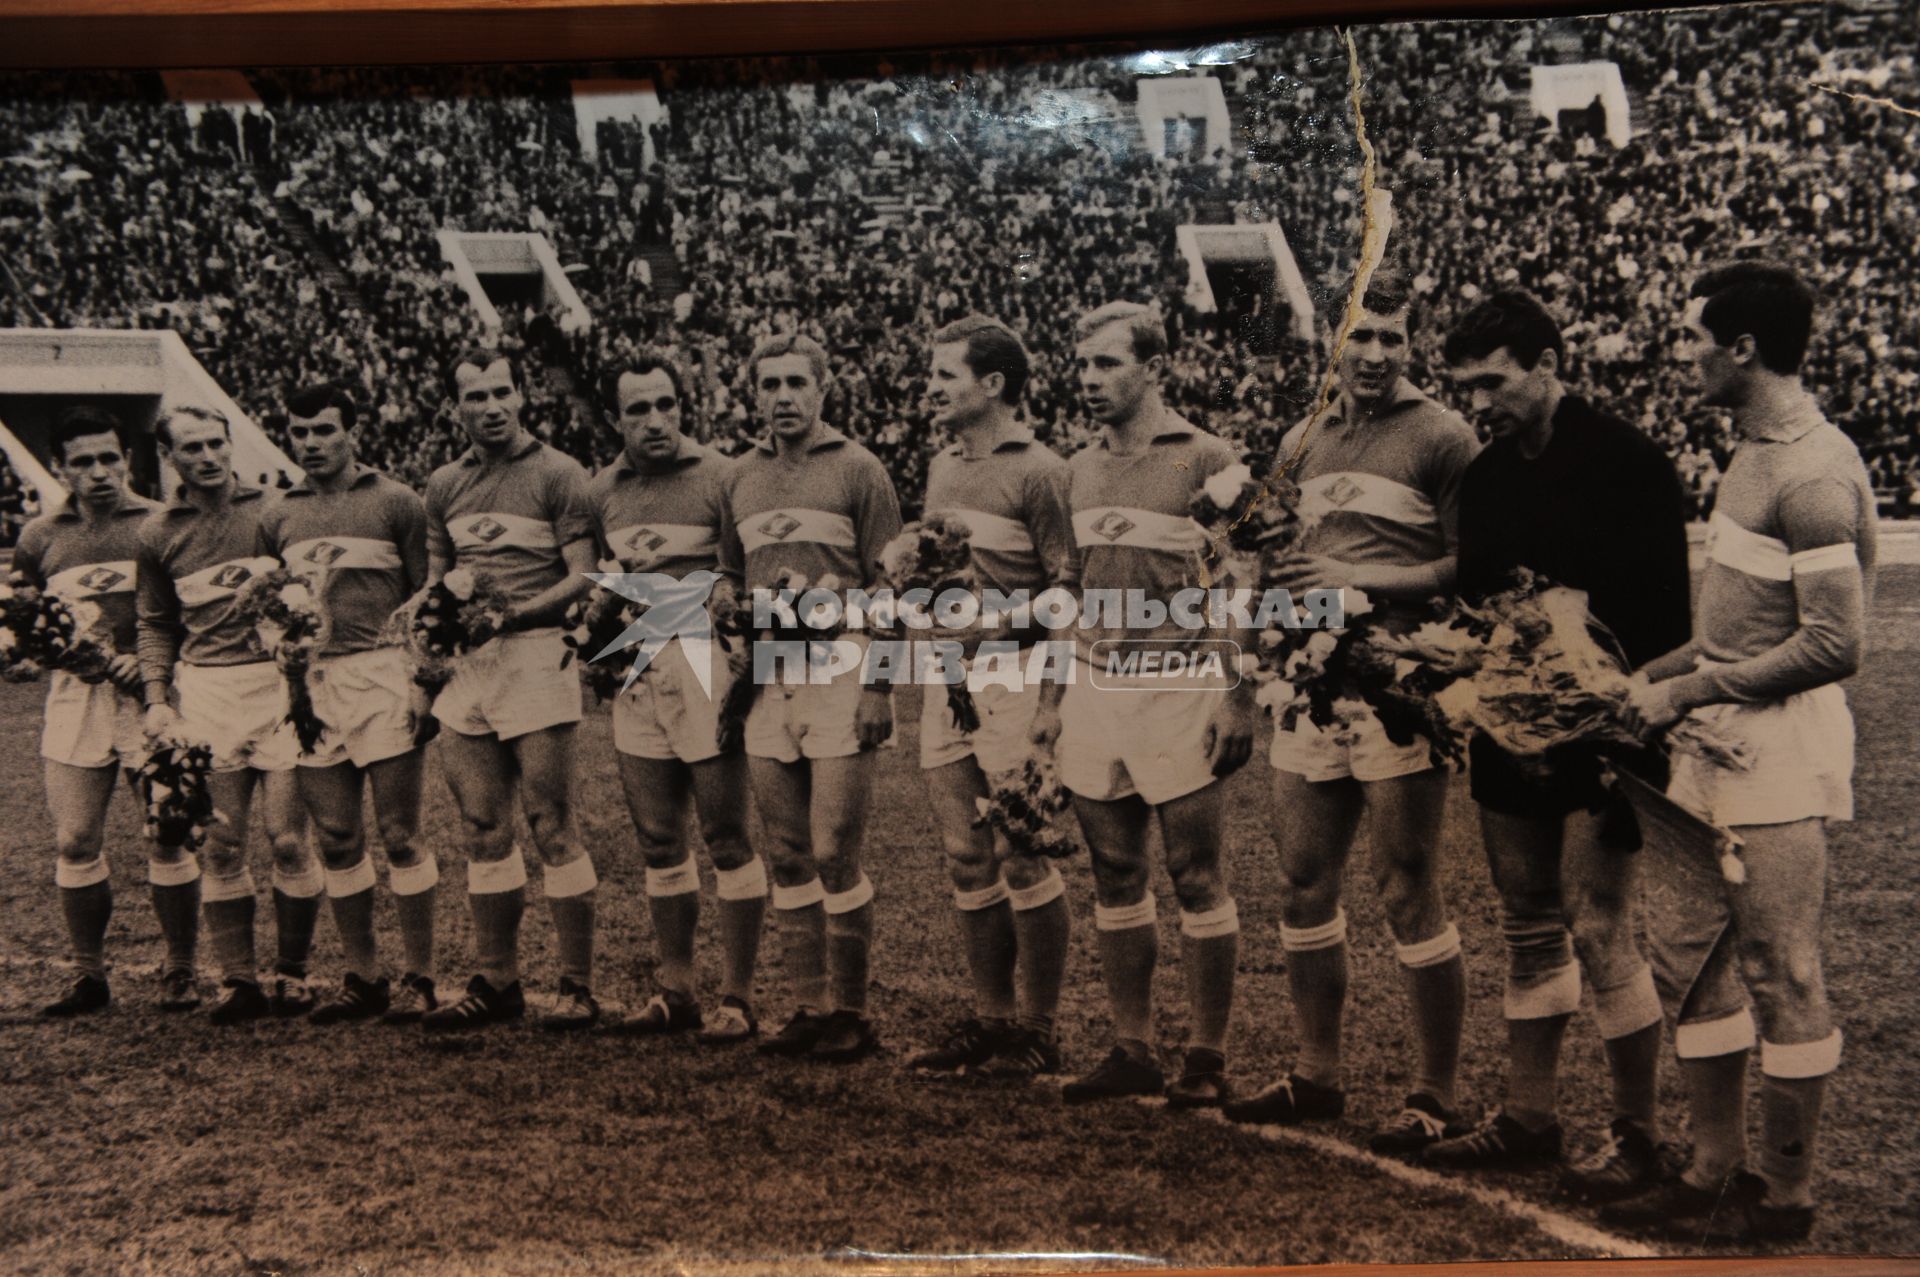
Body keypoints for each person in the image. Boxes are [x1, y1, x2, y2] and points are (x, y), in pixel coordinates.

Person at [1613, 263, 1875, 1242]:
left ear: (1743, 349)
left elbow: (1833, 644)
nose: (1681, 356)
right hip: (1710, 739)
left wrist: (1684, 687)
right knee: (1689, 958)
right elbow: (1730, 633)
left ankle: (1789, 1193)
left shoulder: (1812, 470)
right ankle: (1712, 1165)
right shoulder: (1749, 451)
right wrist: (1649, 678)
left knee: (1779, 967)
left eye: (1692, 340)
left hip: (1777, 748)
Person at [1424, 290, 1689, 1197]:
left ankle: (1639, 1133)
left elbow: (1664, 626)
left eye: (1493, 382)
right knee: (1526, 917)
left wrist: (1618, 731)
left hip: (1612, 730)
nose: (1480, 403)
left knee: (1600, 922)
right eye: (1465, 387)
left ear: (1547, 364)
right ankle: (1531, 1117)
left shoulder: (1629, 463)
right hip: (1512, 728)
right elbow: (1483, 607)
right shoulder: (1491, 475)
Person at [1225, 269, 1481, 1152]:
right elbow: (1274, 561)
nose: (1374, 355)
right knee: (1302, 878)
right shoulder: (1302, 436)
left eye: (1392, 338)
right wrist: (1257, 658)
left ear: (1412, 342)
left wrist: (1357, 580)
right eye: (1359, 337)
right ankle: (1317, 1073)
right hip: (1306, 685)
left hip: (1398, 685)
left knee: (1407, 885)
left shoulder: (1444, 436)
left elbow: (1467, 568)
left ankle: (1435, 1093)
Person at [1032, 301, 1253, 1108]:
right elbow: (1072, 588)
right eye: (1082, 365)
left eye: (1107, 364)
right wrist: (1054, 698)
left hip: (1180, 683)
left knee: (1196, 873)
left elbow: (1236, 588)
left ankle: (1206, 1054)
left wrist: (1235, 695)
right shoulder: (1075, 467)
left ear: (1153, 367)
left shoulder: (1208, 457)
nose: (1089, 380)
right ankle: (1132, 1047)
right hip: (1095, 685)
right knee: (1115, 869)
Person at [718, 332, 902, 1063]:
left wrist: (880, 683)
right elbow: (726, 572)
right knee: (788, 851)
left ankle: (852, 1012)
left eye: (798, 382)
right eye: (770, 385)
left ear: (824, 388)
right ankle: (807, 1004)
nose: (784, 397)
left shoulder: (860, 468)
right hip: (768, 672)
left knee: (833, 850)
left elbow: (893, 585)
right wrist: (727, 602)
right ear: (755, 394)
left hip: (842, 667)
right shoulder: (741, 475)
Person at [904, 316, 1077, 1081]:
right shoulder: (942, 465)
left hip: (1014, 677)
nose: (931, 387)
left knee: (1023, 852)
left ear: (993, 385)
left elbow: (1070, 591)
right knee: (967, 854)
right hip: (947, 679)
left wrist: (1046, 704)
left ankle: (1037, 1029)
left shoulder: (1042, 469)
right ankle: (991, 1019)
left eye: (945, 375)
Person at [589, 350, 768, 1044]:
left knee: (726, 834)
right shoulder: (603, 489)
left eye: (665, 404)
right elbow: (609, 581)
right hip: (639, 671)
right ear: (617, 418)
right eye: (638, 409)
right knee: (659, 839)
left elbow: (743, 575)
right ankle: (677, 989)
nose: (655, 420)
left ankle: (740, 996)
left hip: (707, 666)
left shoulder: (723, 476)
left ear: (682, 406)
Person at [419, 349, 600, 1031]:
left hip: (533, 653)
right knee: (481, 824)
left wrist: (514, 614)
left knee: (551, 822)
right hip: (470, 664)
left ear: (521, 396)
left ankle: (577, 985)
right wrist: (431, 650)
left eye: (502, 392)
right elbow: (437, 582)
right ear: (456, 407)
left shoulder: (558, 472)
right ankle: (497, 980)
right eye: (476, 396)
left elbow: (583, 576)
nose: (491, 407)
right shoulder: (444, 484)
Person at [258, 383, 439, 1025]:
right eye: (300, 432)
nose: (311, 443)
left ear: (353, 430)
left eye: (325, 430)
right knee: (337, 839)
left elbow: (427, 597)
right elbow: (269, 606)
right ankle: (364, 976)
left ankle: (419, 978)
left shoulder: (397, 502)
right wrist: (282, 650)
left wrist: (422, 680)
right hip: (314, 686)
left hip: (383, 674)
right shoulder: (278, 514)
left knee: (399, 834)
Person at [136, 403, 320, 1024]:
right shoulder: (158, 532)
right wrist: (158, 697)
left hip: (279, 686)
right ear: (170, 458)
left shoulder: (273, 510)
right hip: (209, 693)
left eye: (217, 444)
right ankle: (239, 981)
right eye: (192, 449)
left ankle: (292, 974)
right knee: (221, 842)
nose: (209, 457)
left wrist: (297, 646)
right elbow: (157, 623)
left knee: (289, 838)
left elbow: (307, 599)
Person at [18, 407, 199, 1016]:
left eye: (109, 458)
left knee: (168, 834)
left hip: (153, 697)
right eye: (82, 462)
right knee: (74, 839)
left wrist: (145, 667)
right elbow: (28, 627)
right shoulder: (40, 537)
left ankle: (179, 970)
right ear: (59, 468)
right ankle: (89, 977)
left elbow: (186, 618)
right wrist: (59, 653)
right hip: (78, 700)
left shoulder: (160, 523)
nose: (98, 472)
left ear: (127, 459)